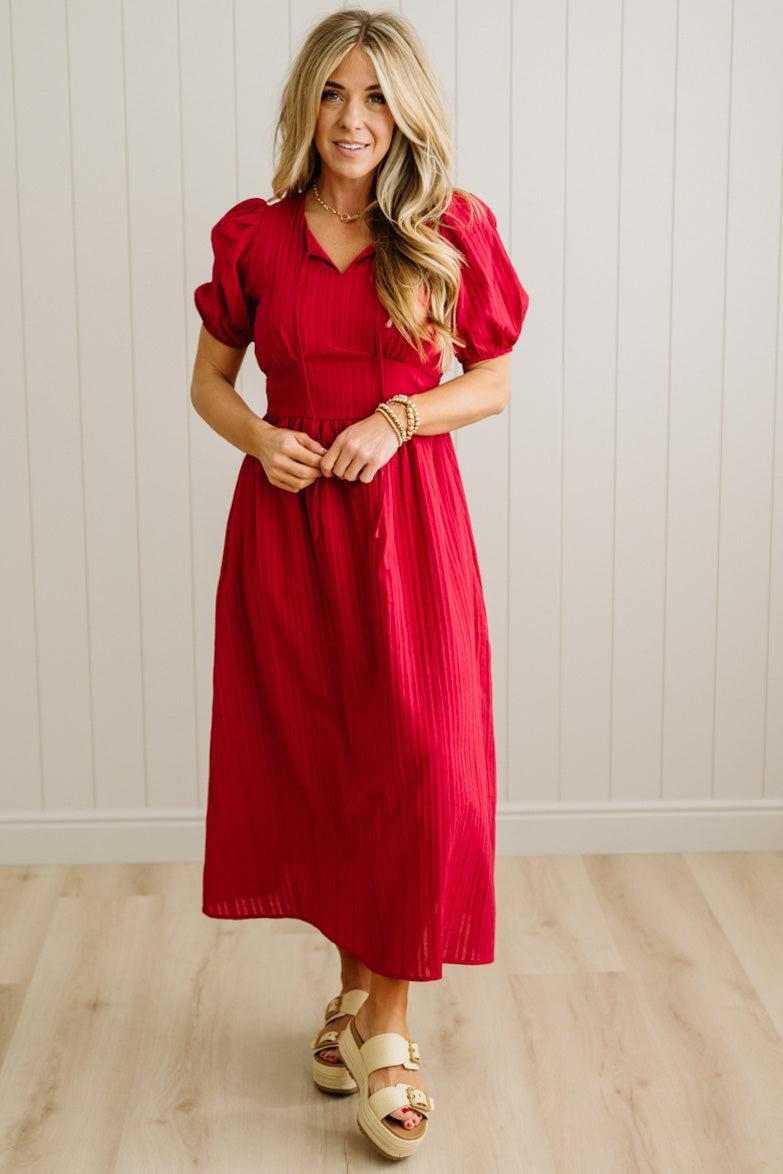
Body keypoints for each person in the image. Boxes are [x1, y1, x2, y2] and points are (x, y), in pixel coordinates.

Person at [190, 7, 529, 1160]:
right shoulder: (257, 236)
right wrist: (254, 436)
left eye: (376, 96)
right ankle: (360, 1014)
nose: (353, 118)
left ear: (407, 110)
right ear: (307, 107)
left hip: (410, 531)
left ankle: (384, 1029)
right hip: (288, 533)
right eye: (334, 95)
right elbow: (210, 382)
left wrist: (399, 414)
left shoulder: (447, 229)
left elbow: (493, 380)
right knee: (332, 769)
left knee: (421, 763)